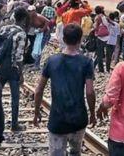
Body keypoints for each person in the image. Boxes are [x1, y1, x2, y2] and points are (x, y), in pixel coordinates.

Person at [33, 24, 97, 156]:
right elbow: (90, 92)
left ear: (63, 38)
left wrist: (36, 112)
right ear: (80, 40)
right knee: (75, 152)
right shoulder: (86, 62)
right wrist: (92, 114)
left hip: (58, 119)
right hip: (79, 118)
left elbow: (39, 90)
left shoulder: (52, 61)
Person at [0, 7, 28, 131]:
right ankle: (14, 124)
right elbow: (19, 57)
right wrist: (21, 74)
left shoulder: (4, 28)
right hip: (13, 69)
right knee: (15, 98)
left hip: (1, 66)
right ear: (24, 19)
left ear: (14, 16)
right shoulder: (21, 34)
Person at [93, 6, 109, 73]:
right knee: (105, 53)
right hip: (106, 37)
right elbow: (107, 25)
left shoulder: (97, 17)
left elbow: (96, 27)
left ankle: (101, 69)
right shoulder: (104, 16)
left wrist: (94, 28)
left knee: (99, 54)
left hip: (100, 37)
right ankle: (107, 69)